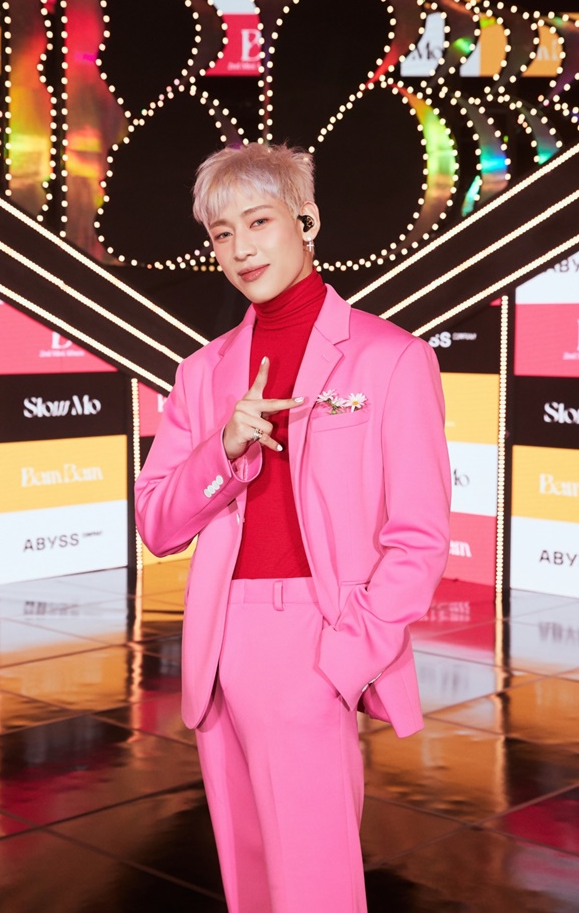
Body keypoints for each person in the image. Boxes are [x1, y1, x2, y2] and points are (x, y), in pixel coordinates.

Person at [135, 142, 451, 913]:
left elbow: (419, 536)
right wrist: (223, 447)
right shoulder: (203, 372)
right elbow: (156, 522)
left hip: (316, 638)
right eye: (221, 233)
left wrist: (345, 656)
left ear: (306, 221)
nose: (240, 248)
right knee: (249, 884)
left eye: (258, 221)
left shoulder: (391, 358)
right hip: (217, 646)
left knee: (314, 886)